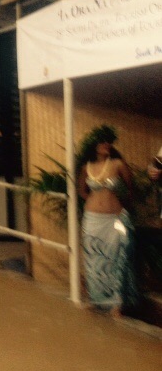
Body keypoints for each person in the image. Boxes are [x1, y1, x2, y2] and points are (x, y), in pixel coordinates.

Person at [77, 124, 139, 317]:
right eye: (102, 142)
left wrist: (120, 206)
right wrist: (94, 201)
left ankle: (116, 304)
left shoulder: (118, 164)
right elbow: (81, 191)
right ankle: (95, 300)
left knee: (116, 259)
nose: (107, 144)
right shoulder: (86, 168)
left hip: (114, 219)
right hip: (92, 220)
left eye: (109, 141)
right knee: (94, 260)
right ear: (94, 145)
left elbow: (131, 190)